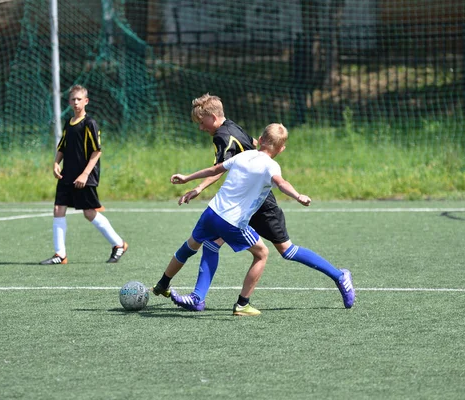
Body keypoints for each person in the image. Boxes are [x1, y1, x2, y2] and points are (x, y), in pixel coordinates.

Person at [152, 93, 355, 309]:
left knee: (286, 250)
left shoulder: (223, 136)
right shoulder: (233, 127)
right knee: (211, 243)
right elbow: (239, 155)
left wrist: (197, 186)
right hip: (240, 204)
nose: (201, 127)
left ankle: (338, 275)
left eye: (202, 122)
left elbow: (223, 168)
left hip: (259, 204)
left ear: (212, 116)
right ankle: (198, 297)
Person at [167, 123, 311, 316]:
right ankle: (242, 304)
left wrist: (187, 178)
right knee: (262, 253)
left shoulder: (242, 155)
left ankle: (195, 296)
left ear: (259, 140)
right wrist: (298, 195)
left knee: (209, 244)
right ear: (281, 149)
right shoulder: (271, 166)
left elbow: (215, 169)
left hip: (211, 212)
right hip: (231, 222)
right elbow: (281, 183)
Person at [39, 85, 128, 265]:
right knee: (58, 209)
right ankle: (60, 254)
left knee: (89, 213)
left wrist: (85, 174)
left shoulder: (90, 123)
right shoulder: (68, 123)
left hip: (84, 176)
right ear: (69, 102)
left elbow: (97, 151)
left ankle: (118, 244)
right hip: (67, 175)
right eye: (73, 99)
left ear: (86, 101)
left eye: (79, 99)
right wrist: (56, 163)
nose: (76, 102)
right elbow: (62, 146)